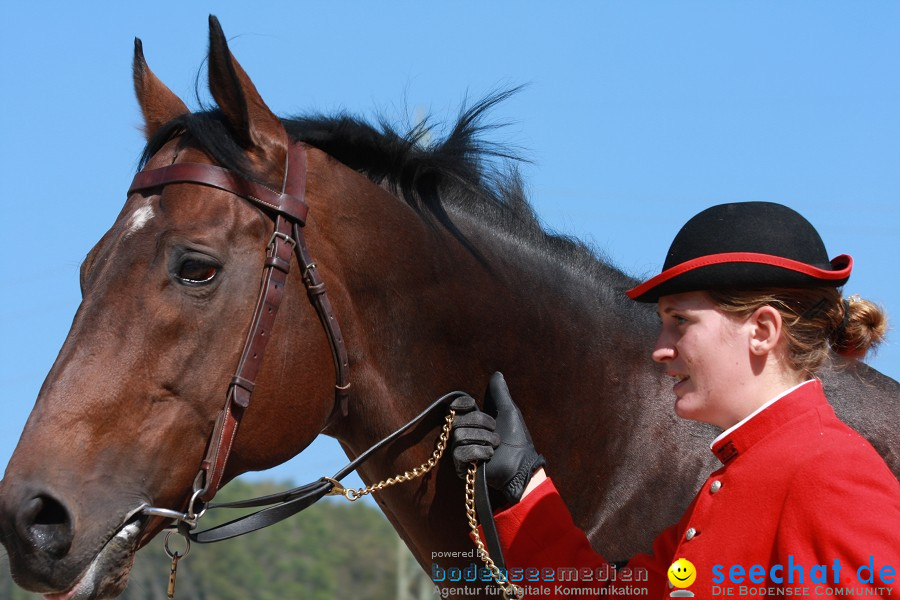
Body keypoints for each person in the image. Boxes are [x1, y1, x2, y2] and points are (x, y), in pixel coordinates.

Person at [450, 202, 900, 599]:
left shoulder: (830, 477)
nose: (660, 348)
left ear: (762, 331)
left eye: (680, 321)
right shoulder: (737, 479)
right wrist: (522, 487)